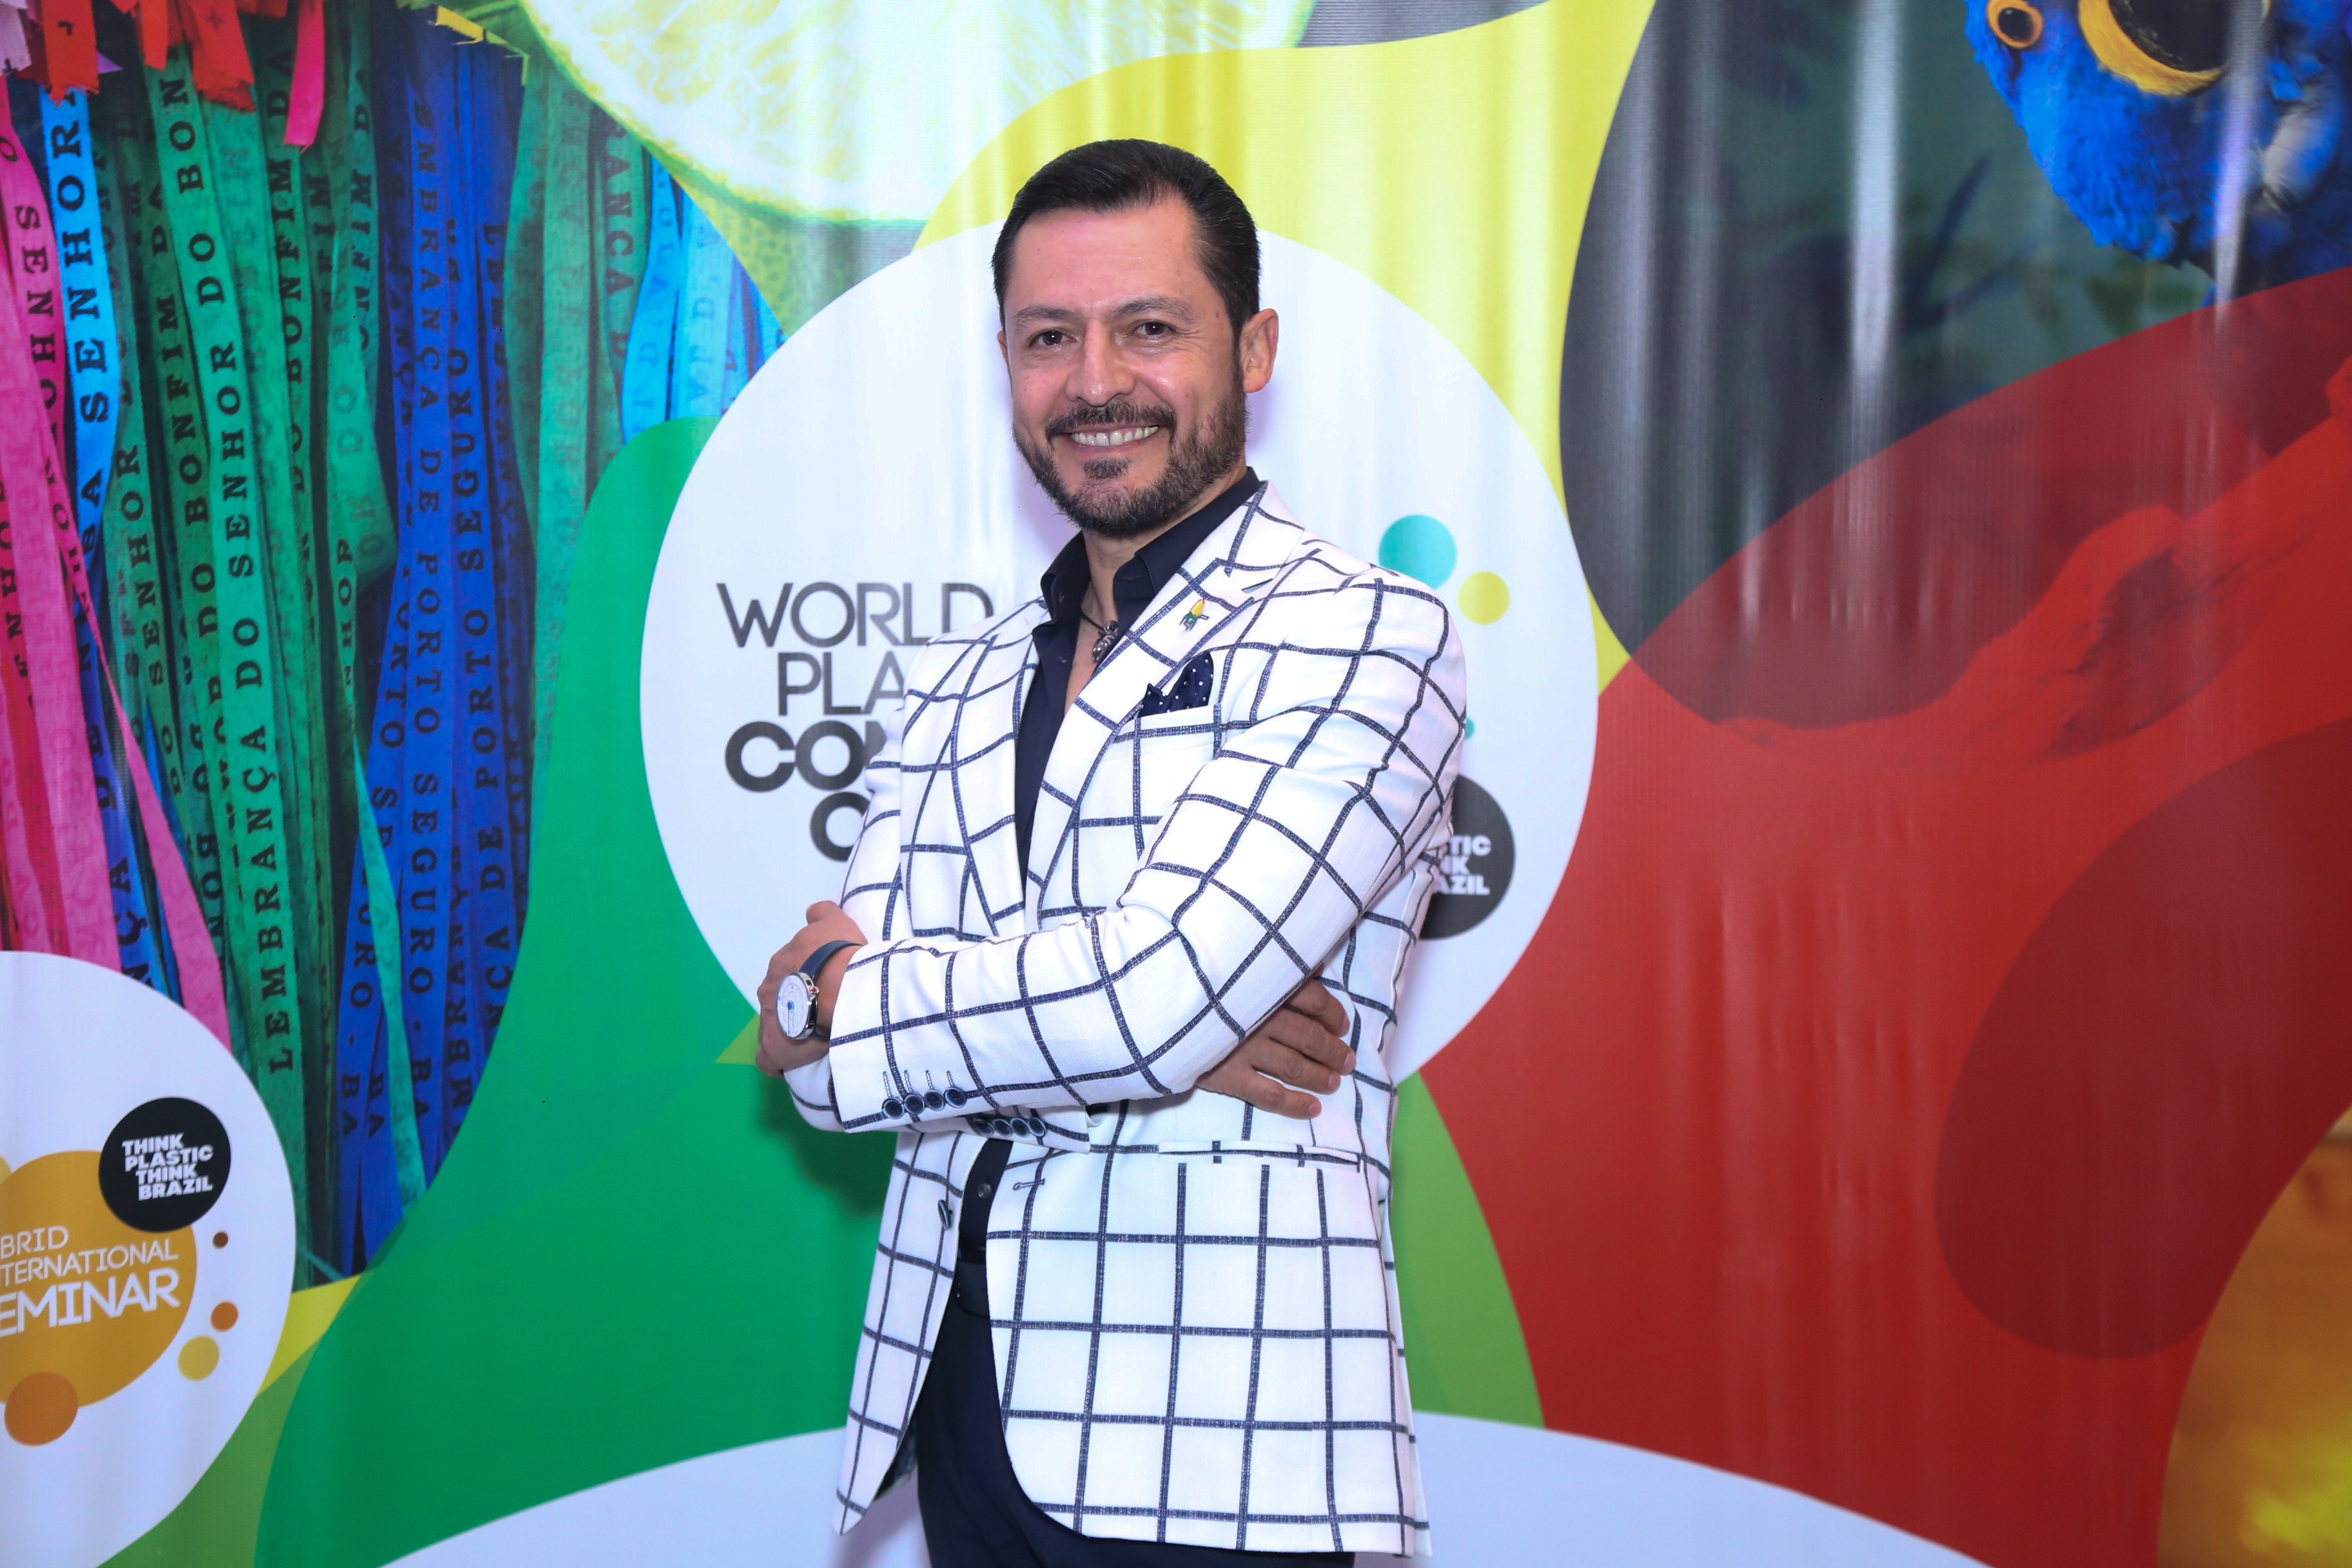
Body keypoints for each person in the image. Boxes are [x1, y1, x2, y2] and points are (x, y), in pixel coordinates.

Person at [756, 139, 1464, 1567]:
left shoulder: (1366, 631)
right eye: (1048, 337)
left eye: (1149, 328)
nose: (1095, 382)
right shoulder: (955, 679)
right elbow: (819, 1074)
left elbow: (1144, 1000)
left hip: (1223, 1446)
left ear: (1253, 350)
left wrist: (849, 992)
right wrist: (1141, 1029)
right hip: (961, 1414)